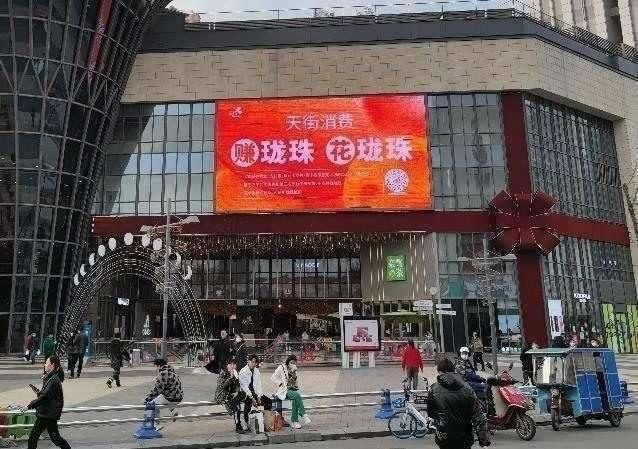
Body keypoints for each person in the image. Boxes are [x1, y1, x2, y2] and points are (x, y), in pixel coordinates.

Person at [426, 357, 490, 449]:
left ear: (439, 371)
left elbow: (431, 413)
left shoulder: (434, 389)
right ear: (453, 370)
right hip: (465, 436)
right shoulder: (467, 388)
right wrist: (483, 439)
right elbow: (478, 415)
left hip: (445, 436)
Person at [25, 356, 71, 449]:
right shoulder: (51, 378)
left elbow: (44, 397)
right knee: (55, 438)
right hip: (49, 413)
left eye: (46, 363)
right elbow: (47, 394)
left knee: (33, 437)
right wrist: (39, 390)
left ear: (52, 365)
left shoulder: (53, 380)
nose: (44, 365)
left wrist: (29, 405)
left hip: (47, 414)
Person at [272, 355, 311, 429]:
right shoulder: (282, 367)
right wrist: (280, 384)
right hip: (284, 390)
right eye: (291, 362)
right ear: (288, 361)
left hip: (292, 389)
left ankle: (294, 421)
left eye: (294, 363)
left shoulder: (294, 368)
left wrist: (294, 373)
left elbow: (294, 381)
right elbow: (273, 377)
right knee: (297, 395)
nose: (292, 364)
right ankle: (303, 415)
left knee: (295, 399)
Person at [238, 355, 270, 431]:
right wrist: (252, 398)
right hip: (245, 393)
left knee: (268, 401)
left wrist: (259, 396)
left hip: (254, 392)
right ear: (248, 361)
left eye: (255, 362)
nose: (254, 364)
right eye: (252, 362)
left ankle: (265, 422)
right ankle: (246, 423)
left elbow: (259, 385)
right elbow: (244, 387)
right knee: (248, 402)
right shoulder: (243, 371)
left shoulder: (256, 371)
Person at [216, 358, 245, 433]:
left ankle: (239, 423)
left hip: (232, 395)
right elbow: (223, 386)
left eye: (233, 364)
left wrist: (236, 392)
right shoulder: (223, 373)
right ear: (227, 365)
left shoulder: (235, 373)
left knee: (242, 394)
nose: (232, 366)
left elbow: (238, 385)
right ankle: (238, 425)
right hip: (223, 395)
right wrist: (231, 377)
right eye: (230, 364)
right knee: (237, 407)